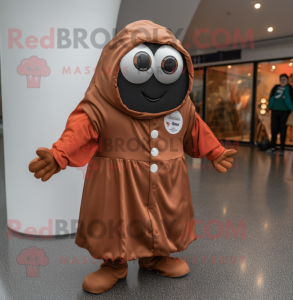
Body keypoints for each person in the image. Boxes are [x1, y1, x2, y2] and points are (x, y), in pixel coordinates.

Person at [28, 20, 237, 294]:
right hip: (116, 181)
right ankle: (114, 264)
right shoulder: (100, 104)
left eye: (168, 67)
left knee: (165, 217)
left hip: (167, 180)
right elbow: (80, 128)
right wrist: (59, 154)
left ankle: (157, 257)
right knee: (115, 219)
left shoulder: (181, 106)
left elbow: (196, 129)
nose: (153, 80)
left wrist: (215, 151)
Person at [266, 74, 293, 155]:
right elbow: (271, 97)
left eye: (284, 79)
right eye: (281, 79)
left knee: (283, 130)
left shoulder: (290, 89)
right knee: (273, 129)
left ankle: (282, 149)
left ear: (287, 80)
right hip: (274, 111)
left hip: (284, 111)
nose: (282, 81)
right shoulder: (275, 87)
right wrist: (269, 106)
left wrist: (286, 97)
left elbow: (291, 100)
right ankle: (273, 148)